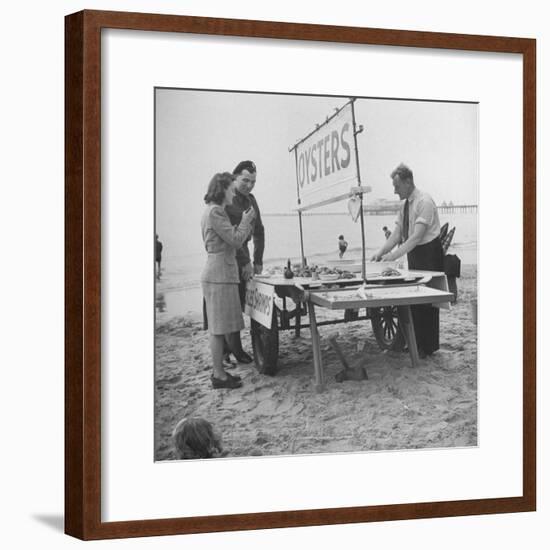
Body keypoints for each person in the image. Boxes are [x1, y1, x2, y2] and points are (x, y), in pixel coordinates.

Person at [371, 163, 443, 358]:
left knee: (427, 301)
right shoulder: (404, 205)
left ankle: (427, 347)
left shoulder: (424, 201)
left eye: (397, 186)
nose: (394, 190)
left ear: (408, 182)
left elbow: (416, 237)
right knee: (414, 298)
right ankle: (415, 343)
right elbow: (396, 235)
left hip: (429, 252)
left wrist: (393, 256)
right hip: (415, 253)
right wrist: (380, 253)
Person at [201, 172, 256, 389]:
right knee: (218, 329)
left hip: (219, 273)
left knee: (219, 328)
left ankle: (220, 372)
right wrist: (245, 221)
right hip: (219, 275)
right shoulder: (215, 211)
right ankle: (219, 375)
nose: (234, 193)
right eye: (231, 189)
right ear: (223, 189)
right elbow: (234, 240)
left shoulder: (214, 211)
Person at [223, 160, 265, 366]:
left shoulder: (251, 200)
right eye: (245, 180)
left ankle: (232, 348)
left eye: (253, 182)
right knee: (230, 305)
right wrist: (246, 262)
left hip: (245, 253)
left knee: (241, 302)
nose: (249, 185)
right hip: (229, 255)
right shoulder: (228, 200)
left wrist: (258, 261)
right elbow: (232, 237)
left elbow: (259, 231)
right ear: (235, 177)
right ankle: (233, 350)